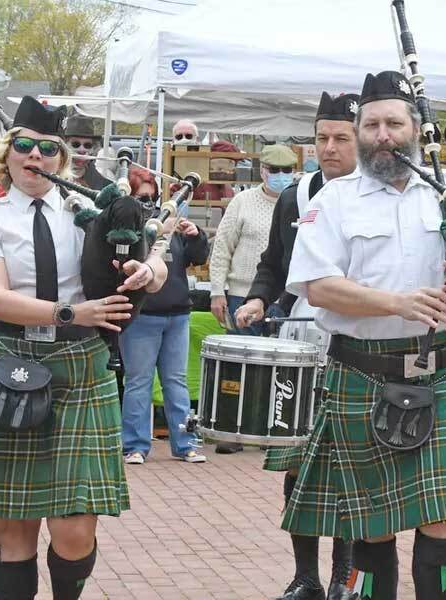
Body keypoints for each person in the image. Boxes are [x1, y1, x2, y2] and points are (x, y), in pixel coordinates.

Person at [282, 71, 446, 600]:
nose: (383, 135)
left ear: (415, 128)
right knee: (373, 524)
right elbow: (318, 286)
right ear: (359, 130)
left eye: (393, 123)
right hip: (361, 369)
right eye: (371, 124)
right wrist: (395, 302)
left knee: (442, 515)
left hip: (439, 370)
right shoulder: (333, 202)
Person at [0, 96, 168, 600]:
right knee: (14, 530)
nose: (34, 157)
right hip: (9, 363)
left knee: (75, 531)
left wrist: (150, 270)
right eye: (23, 146)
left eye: (47, 149)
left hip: (80, 368)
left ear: (63, 159)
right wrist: (69, 312)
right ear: (6, 152)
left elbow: (150, 253)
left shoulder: (89, 209)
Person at [234, 92, 360, 600]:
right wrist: (259, 299)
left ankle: (344, 577)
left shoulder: (376, 193)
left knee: (350, 465)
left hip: (355, 341)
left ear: (360, 139)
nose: (328, 148)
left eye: (340, 139)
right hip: (300, 340)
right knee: (296, 462)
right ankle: (305, 576)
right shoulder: (296, 195)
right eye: (321, 138)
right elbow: (274, 263)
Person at [207, 143, 297, 455]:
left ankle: (271, 429)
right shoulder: (242, 202)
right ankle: (233, 427)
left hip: (282, 296)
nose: (282, 176)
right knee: (238, 365)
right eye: (276, 171)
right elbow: (222, 248)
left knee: (280, 366)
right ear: (262, 171)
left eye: (288, 171)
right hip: (239, 293)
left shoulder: (297, 202)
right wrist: (217, 290)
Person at [120, 166, 209, 465]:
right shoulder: (126, 226)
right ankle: (134, 446)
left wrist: (196, 236)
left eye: (151, 198)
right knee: (138, 381)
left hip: (178, 314)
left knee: (176, 381)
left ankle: (185, 444)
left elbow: (197, 258)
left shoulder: (170, 222)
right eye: (140, 198)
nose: (147, 204)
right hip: (142, 315)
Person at [64, 116, 112, 192]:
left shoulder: (104, 184)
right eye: (75, 144)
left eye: (87, 145)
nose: (82, 150)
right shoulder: (53, 176)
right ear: (64, 145)